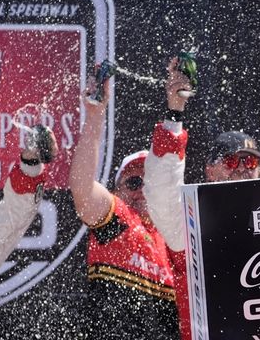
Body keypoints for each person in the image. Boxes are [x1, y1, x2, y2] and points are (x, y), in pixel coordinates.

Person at [142, 58, 260, 340]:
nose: (243, 170)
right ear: (210, 170)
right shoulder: (193, 221)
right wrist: (174, 113)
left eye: (250, 164)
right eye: (233, 162)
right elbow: (161, 191)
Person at [68, 83, 179, 340]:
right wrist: (95, 116)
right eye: (133, 182)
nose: (142, 190)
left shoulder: (177, 239)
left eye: (150, 183)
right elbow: (82, 190)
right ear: (117, 191)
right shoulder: (118, 217)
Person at [0, 126, 58, 268]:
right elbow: (27, 162)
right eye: (53, 143)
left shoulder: (36, 171)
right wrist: (33, 150)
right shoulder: (26, 176)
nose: (57, 148)